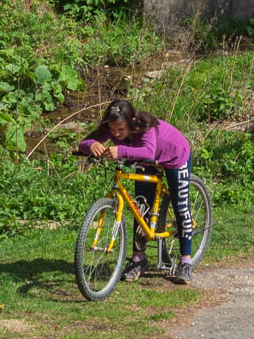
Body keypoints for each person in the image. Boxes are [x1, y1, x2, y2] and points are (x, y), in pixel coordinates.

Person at [74, 98, 197, 283]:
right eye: (113, 129)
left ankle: (186, 262)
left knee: (181, 206)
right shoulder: (112, 126)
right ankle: (139, 259)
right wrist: (90, 145)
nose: (116, 133)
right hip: (146, 162)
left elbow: (147, 151)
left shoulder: (145, 127)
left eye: (121, 130)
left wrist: (120, 151)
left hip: (174, 156)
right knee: (141, 206)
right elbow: (84, 142)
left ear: (131, 122)